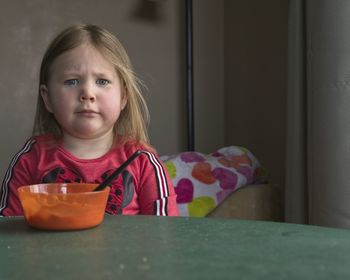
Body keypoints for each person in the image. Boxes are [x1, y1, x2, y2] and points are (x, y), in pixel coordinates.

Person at [0, 24, 179, 216]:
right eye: (72, 81)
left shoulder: (144, 162)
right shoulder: (30, 159)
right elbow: (9, 234)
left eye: (102, 81)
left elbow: (164, 234)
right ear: (47, 98)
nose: (88, 93)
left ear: (124, 97)